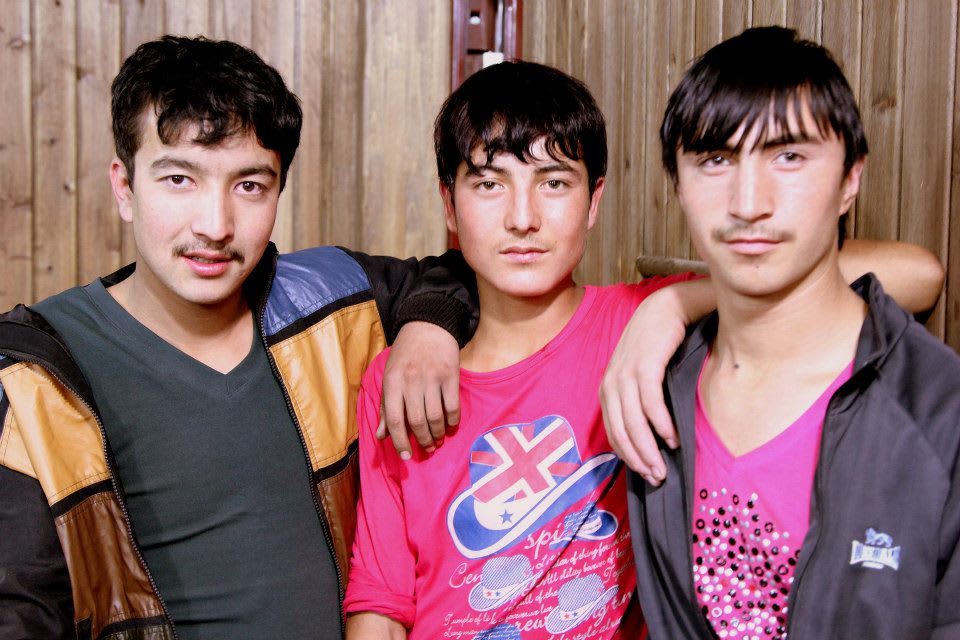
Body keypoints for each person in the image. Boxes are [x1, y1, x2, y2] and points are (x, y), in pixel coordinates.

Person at [341, 60, 942, 639]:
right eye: (490, 185)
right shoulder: (402, 377)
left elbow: (915, 272)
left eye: (553, 183)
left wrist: (672, 305)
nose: (522, 218)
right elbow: (380, 603)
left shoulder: (640, 324)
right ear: (450, 204)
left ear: (594, 201)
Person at [0, 36, 478, 640]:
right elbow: (17, 611)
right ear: (123, 187)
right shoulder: (36, 378)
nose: (216, 226)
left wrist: (428, 327)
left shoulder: (332, 300)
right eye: (179, 179)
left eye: (249, 186)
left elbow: (458, 276)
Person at [622, 26, 960, 638]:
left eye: (790, 156)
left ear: (850, 179)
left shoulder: (938, 414)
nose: (749, 202)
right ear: (677, 182)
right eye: (715, 160)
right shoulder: (655, 393)